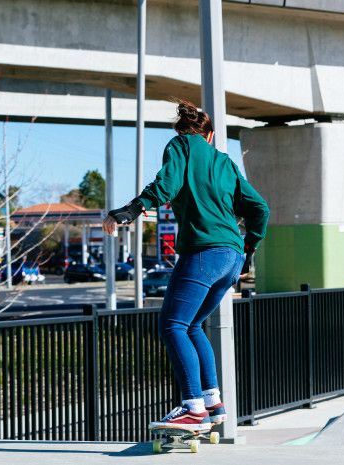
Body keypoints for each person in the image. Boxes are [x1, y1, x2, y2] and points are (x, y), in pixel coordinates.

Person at [103, 101, 269, 431]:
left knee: (172, 325)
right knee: (193, 326)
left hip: (204, 252)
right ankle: (213, 403)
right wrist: (248, 248)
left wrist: (131, 210)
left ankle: (193, 408)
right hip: (232, 257)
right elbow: (260, 208)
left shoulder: (179, 146)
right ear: (210, 136)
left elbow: (167, 184)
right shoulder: (225, 162)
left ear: (185, 133)